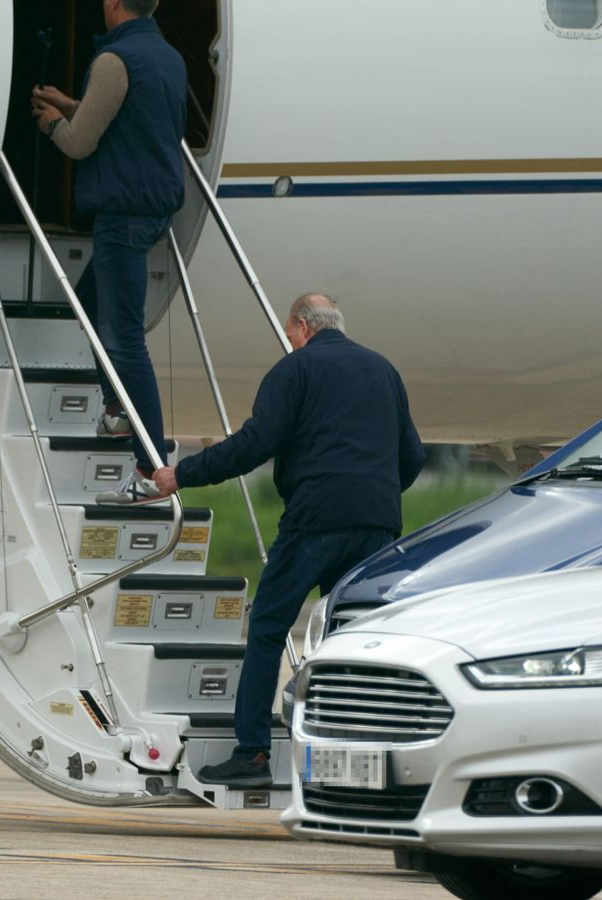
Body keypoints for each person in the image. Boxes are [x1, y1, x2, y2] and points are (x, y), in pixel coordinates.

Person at [150, 294, 425, 786]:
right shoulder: (384, 370)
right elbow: (412, 456)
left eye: (290, 331)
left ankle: (253, 753)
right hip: (377, 523)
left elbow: (255, 444)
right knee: (352, 641)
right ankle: (352, 759)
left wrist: (182, 474)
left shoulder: (295, 370)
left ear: (301, 326)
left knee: (270, 627)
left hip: (315, 520)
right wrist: (373, 494)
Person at [32, 0, 187, 505]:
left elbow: (80, 144)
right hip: (154, 208)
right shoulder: (166, 56)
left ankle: (151, 466)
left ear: (114, 4)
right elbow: (130, 120)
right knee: (89, 301)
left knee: (123, 339)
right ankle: (118, 410)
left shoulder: (114, 61)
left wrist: (54, 122)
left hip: (122, 214)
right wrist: (75, 103)